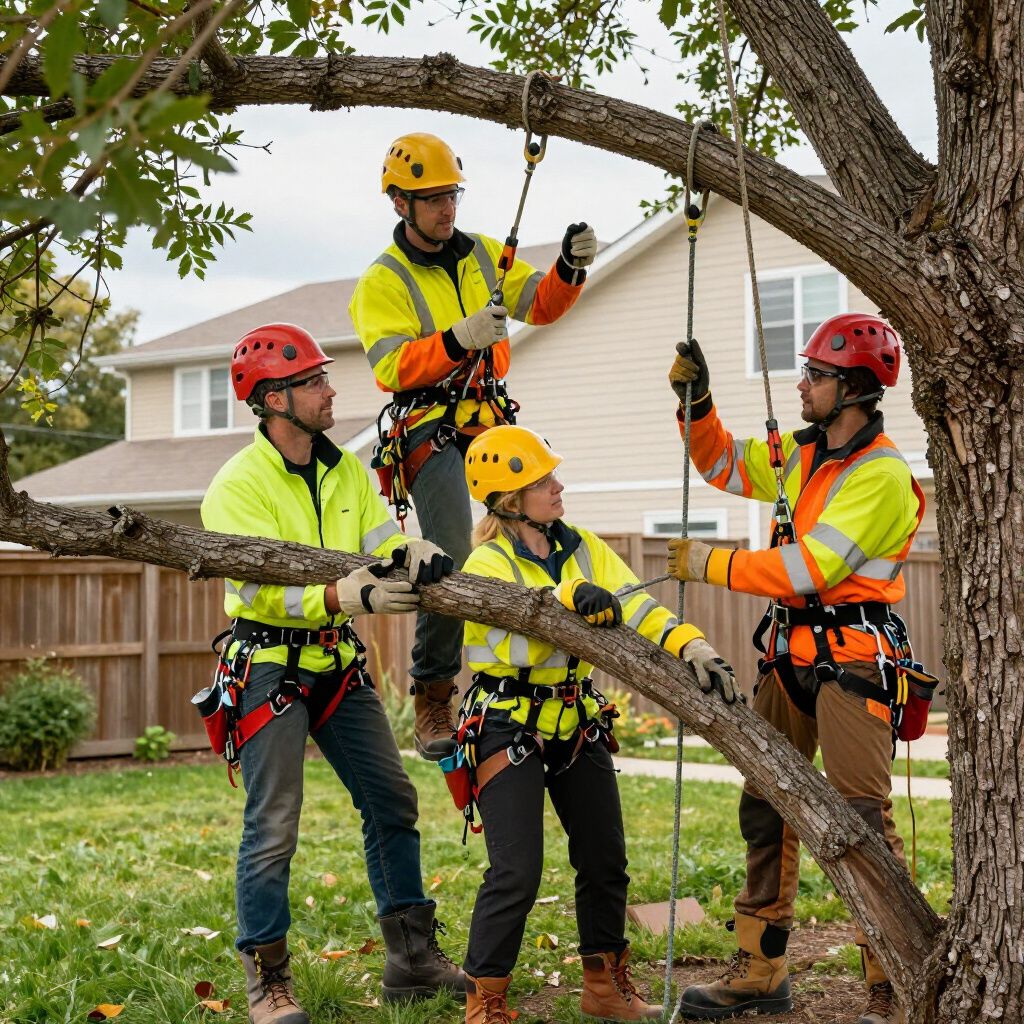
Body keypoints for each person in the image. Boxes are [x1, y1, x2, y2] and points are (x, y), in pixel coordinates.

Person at [201, 323, 466, 1024]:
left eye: (323, 377)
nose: (330, 389)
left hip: (334, 661)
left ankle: (411, 959)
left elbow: (378, 538)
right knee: (274, 824)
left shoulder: (344, 468)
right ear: (272, 398)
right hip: (267, 666)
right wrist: (338, 597)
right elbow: (254, 588)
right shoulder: (236, 486)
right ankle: (268, 977)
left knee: (392, 800)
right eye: (315, 381)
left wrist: (410, 550)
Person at [664, 314, 924, 1024]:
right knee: (765, 806)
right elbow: (719, 464)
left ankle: (889, 977)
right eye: (806, 372)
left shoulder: (883, 474)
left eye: (816, 375)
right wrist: (699, 406)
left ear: (857, 390)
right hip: (789, 657)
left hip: (853, 664)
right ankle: (759, 967)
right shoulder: (802, 456)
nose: (802, 384)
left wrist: (714, 563)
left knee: (860, 822)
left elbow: (814, 569)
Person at [453, 424, 738, 1024]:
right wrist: (570, 599)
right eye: (544, 481)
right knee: (517, 870)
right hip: (510, 726)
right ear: (510, 499)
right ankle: (486, 1001)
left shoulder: (581, 545)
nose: (559, 487)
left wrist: (693, 647)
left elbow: (636, 601)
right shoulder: (485, 561)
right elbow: (517, 631)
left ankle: (604, 985)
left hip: (575, 718)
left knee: (606, 857)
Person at [349, 132, 597, 762]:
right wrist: (458, 339)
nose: (446, 208)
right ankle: (434, 689)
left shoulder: (484, 254)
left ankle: (538, 667)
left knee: (535, 518)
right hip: (429, 423)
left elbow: (540, 303)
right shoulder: (384, 280)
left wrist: (570, 268)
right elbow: (391, 367)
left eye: (451, 195)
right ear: (401, 204)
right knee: (450, 552)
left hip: (488, 416)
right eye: (433, 199)